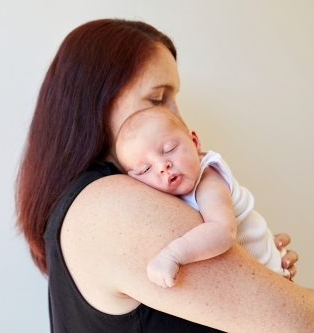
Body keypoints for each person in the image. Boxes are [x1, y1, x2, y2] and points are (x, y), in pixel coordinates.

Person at [16, 19, 314, 332]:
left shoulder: (80, 206)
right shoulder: (113, 206)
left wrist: (257, 261)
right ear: (96, 102)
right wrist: (304, 299)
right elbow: (308, 324)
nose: (175, 115)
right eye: (157, 99)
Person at [115, 107, 289, 289]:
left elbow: (223, 231)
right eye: (145, 169)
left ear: (195, 142)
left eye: (169, 149)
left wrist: (172, 254)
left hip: (273, 278)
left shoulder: (208, 178)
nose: (162, 166)